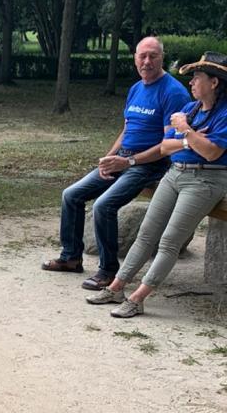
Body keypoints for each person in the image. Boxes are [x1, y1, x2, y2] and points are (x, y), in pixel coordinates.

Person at [41, 36, 190, 290]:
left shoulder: (173, 93)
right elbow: (126, 129)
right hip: (123, 158)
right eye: (142, 56)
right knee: (71, 195)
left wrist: (128, 161)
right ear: (135, 59)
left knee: (104, 206)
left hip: (149, 165)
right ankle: (71, 258)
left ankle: (108, 271)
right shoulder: (136, 88)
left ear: (161, 58)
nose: (147, 61)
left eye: (152, 56)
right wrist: (108, 159)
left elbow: (167, 146)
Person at [88, 52, 227, 317]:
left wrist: (185, 130)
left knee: (170, 241)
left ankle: (138, 298)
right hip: (175, 173)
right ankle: (116, 287)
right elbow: (165, 146)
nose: (191, 82)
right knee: (146, 234)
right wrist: (190, 140)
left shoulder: (221, 114)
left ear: (214, 82)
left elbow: (211, 153)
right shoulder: (191, 109)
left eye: (197, 77)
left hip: (205, 180)